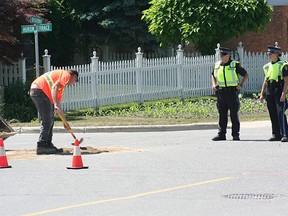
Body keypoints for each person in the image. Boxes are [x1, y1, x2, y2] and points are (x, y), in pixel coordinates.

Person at [30, 69, 79, 154]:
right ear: (74, 76)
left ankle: (48, 144)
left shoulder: (61, 86)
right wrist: (55, 104)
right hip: (39, 91)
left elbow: (58, 104)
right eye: (76, 81)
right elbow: (54, 87)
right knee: (47, 120)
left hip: (39, 91)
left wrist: (65, 122)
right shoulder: (66, 75)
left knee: (50, 119)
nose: (74, 83)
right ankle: (42, 145)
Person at [211, 47, 249, 141]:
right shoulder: (217, 65)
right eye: (221, 55)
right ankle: (221, 134)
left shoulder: (235, 64)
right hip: (221, 93)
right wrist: (214, 84)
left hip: (231, 93)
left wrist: (241, 85)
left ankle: (235, 134)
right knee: (222, 114)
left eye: (223, 55)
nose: (221, 57)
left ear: (228, 55)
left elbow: (245, 75)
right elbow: (213, 75)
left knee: (233, 114)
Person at [260, 46, 288, 142]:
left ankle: (284, 134)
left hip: (279, 89)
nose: (269, 55)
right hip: (270, 90)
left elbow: (286, 80)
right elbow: (265, 80)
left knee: (280, 112)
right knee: (272, 113)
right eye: (268, 54)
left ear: (276, 54)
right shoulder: (267, 66)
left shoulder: (283, 64)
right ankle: (276, 134)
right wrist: (261, 93)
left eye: (271, 54)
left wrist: (284, 93)